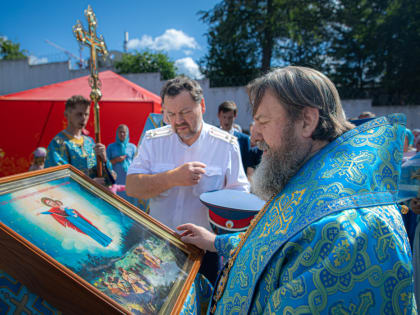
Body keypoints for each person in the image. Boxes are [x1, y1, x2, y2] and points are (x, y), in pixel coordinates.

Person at [177, 66, 416, 314]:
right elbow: (276, 241)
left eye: (263, 121)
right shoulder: (313, 182)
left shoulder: (347, 230)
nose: (254, 135)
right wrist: (217, 242)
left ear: (306, 121)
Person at [126, 76, 249, 284]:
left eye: (185, 112)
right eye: (170, 114)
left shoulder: (226, 144)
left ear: (201, 105)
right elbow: (132, 187)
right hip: (157, 247)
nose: (178, 121)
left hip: (203, 253)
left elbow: (240, 200)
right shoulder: (153, 140)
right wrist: (172, 177)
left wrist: (220, 228)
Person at [44, 95, 114, 185]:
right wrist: (88, 184)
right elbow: (57, 178)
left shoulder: (90, 142)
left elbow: (108, 180)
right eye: (79, 114)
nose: (84, 118)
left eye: (86, 114)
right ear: (67, 115)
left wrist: (104, 160)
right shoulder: (58, 143)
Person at [39, 197, 112, 247]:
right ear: (48, 205)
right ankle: (104, 243)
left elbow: (69, 208)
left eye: (50, 201)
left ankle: (107, 239)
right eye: (48, 203)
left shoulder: (58, 202)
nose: (50, 203)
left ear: (51, 200)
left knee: (92, 228)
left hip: (77, 217)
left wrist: (73, 212)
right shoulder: (52, 210)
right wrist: (40, 213)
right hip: (72, 220)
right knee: (88, 231)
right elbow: (49, 213)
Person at [217, 101, 260, 177]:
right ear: (219, 116)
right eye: (224, 117)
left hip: (237, 183)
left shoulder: (244, 139)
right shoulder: (212, 136)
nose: (226, 121)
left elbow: (248, 165)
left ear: (235, 116)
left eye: (230, 118)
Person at [106, 124, 137, 204]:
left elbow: (137, 164)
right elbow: (106, 164)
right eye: (120, 132)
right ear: (117, 134)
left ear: (127, 134)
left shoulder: (133, 147)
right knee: (116, 203)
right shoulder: (111, 147)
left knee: (130, 204)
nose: (122, 134)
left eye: (124, 132)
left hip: (129, 181)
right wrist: (116, 160)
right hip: (116, 181)